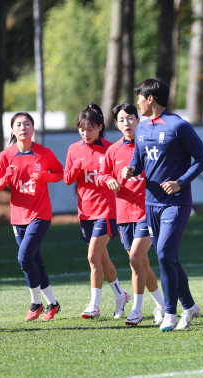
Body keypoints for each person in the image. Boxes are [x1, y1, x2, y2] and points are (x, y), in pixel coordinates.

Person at [123, 79, 203, 332]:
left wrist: (181, 182)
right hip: (150, 203)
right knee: (169, 257)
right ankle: (191, 307)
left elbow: (202, 158)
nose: (137, 101)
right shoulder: (141, 129)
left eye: (139, 97)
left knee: (163, 254)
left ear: (150, 99)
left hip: (176, 203)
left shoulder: (178, 125)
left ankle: (170, 312)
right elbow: (138, 161)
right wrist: (131, 169)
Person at [96, 103, 165, 326]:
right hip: (124, 214)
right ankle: (163, 306)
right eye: (122, 120)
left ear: (138, 120)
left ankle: (136, 310)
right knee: (141, 263)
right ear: (116, 124)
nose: (127, 123)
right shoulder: (113, 150)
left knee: (135, 258)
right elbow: (101, 174)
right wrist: (109, 179)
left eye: (131, 118)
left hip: (148, 210)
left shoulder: (149, 144)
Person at [0, 112, 63, 321]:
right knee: (35, 260)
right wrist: (6, 177)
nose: (23, 128)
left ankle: (35, 302)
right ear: (12, 130)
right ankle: (53, 304)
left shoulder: (44, 153)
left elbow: (60, 173)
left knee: (24, 258)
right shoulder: (6, 156)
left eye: (27, 124)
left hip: (40, 214)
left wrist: (46, 176)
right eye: (19, 125)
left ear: (33, 128)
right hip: (17, 216)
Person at [64, 103, 128, 320]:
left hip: (108, 211)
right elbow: (67, 179)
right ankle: (121, 296)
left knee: (93, 256)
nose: (85, 133)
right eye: (82, 129)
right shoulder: (74, 149)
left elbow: (120, 176)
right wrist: (76, 166)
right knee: (101, 259)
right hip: (85, 211)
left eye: (90, 129)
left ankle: (94, 305)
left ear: (100, 127)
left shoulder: (111, 149)